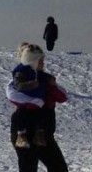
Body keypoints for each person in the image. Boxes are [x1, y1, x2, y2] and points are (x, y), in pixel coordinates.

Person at [9, 43, 69, 171]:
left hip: (42, 133)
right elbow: (12, 94)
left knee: (57, 167)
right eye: (40, 60)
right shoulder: (20, 79)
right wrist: (35, 98)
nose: (43, 63)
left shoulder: (44, 79)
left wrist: (51, 85)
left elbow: (62, 96)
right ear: (33, 61)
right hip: (26, 133)